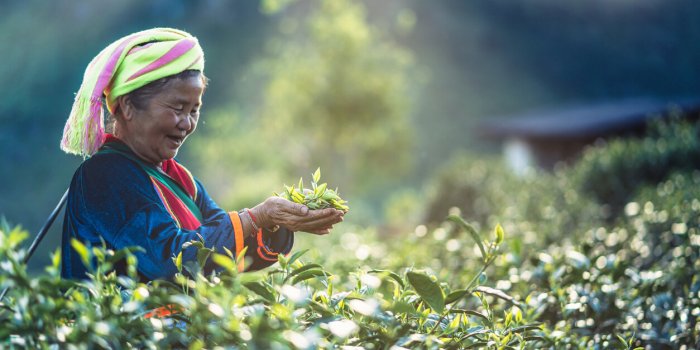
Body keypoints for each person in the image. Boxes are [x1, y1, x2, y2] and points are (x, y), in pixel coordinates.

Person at [59, 28, 344, 281]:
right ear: (128, 107)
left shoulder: (180, 178)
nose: (187, 123)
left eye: (194, 110)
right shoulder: (105, 174)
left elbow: (226, 248)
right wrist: (257, 216)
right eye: (176, 108)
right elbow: (168, 261)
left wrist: (275, 221)